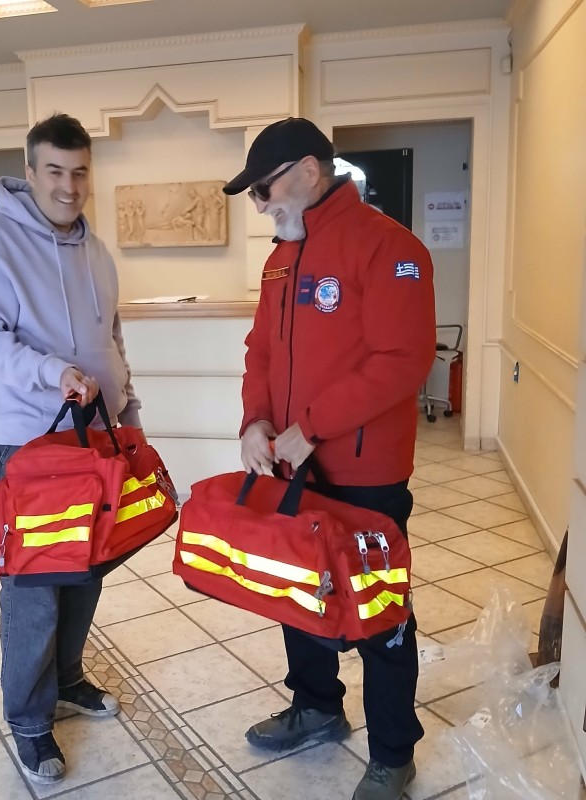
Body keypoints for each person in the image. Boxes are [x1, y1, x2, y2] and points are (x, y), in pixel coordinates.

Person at [222, 117, 436, 800]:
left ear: (309, 171)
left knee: (379, 609)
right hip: (292, 466)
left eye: (264, 189)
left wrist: (311, 427)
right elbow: (261, 350)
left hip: (365, 473)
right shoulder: (281, 258)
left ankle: (393, 753)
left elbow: (403, 360)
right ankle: (316, 706)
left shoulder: (390, 248)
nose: (260, 205)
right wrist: (255, 420)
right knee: (300, 590)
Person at [0, 112, 142, 785]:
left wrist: (129, 413)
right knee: (33, 587)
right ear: (30, 173)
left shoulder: (96, 250)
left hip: (93, 440)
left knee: (86, 572)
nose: (69, 186)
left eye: (80, 171)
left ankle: (66, 680)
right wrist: (50, 370)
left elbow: (111, 341)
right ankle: (30, 721)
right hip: (29, 445)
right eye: (55, 171)